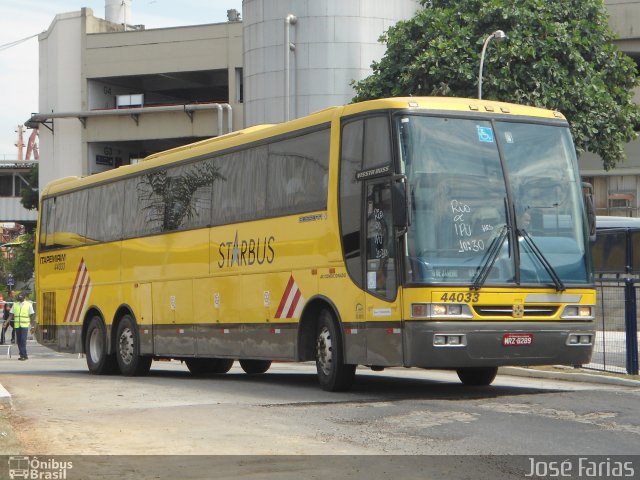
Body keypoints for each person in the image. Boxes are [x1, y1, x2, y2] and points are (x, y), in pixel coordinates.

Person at [8, 292, 34, 360]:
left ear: (24, 298)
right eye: (19, 298)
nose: (19, 299)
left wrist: (33, 326)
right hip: (17, 325)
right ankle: (24, 355)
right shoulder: (15, 304)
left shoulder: (29, 304)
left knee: (23, 340)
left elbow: (31, 316)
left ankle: (22, 355)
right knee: (19, 341)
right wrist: (6, 322)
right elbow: (11, 315)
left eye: (21, 298)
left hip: (25, 325)